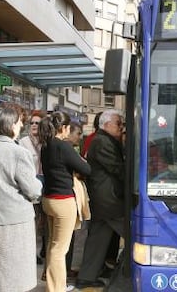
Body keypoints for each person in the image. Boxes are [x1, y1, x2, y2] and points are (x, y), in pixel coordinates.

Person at [0, 104, 43, 292]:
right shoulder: (19, 152)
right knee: (15, 274)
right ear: (12, 125)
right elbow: (33, 190)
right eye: (20, 122)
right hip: (15, 221)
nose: (21, 126)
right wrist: (39, 185)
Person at [39, 111, 91, 292]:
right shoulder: (63, 146)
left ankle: (55, 285)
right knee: (60, 250)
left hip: (49, 200)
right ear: (64, 128)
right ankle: (56, 288)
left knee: (52, 244)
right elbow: (86, 168)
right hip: (63, 202)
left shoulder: (45, 145)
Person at [75, 109, 125, 289]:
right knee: (136, 233)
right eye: (118, 123)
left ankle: (86, 278)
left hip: (104, 199)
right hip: (109, 200)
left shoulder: (105, 140)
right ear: (107, 124)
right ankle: (127, 272)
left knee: (98, 238)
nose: (121, 127)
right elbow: (118, 168)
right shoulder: (102, 141)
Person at [20, 110, 47, 264]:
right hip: (30, 183)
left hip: (46, 182)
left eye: (38, 123)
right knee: (34, 219)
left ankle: (44, 248)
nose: (34, 125)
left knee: (45, 219)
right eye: (32, 123)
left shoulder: (46, 141)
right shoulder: (23, 142)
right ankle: (32, 252)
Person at [65, 121, 84, 278]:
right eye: (78, 133)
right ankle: (63, 272)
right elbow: (85, 168)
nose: (80, 137)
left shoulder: (53, 146)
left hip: (55, 196)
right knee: (64, 240)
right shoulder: (66, 148)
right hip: (65, 197)